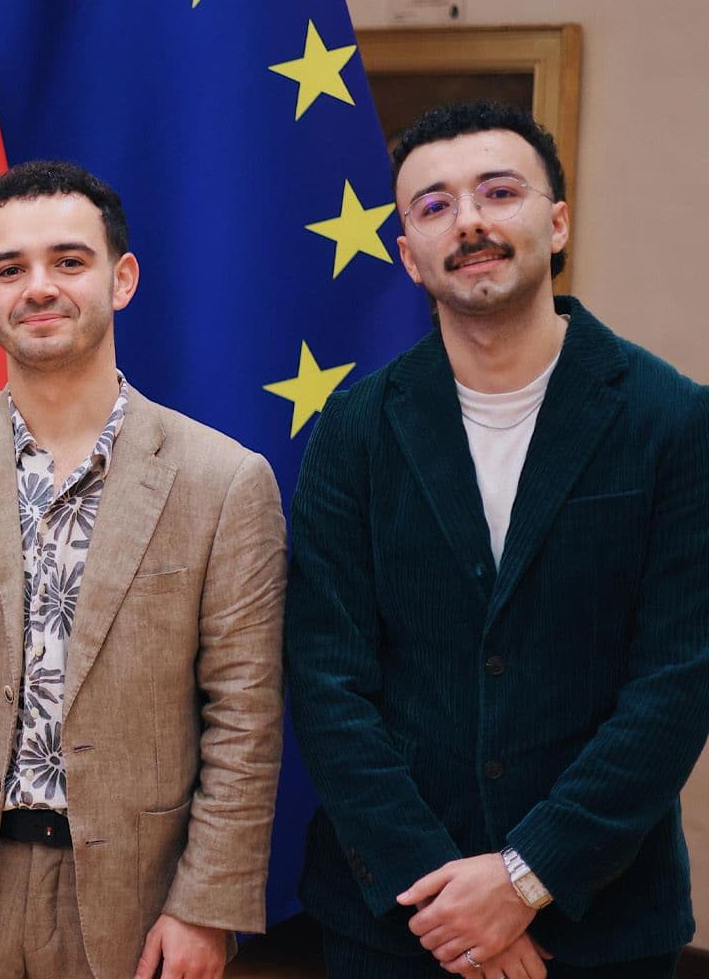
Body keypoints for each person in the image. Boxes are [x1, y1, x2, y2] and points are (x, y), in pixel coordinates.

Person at [288, 100, 709, 978]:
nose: (469, 221)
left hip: (602, 924)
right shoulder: (353, 431)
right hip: (398, 925)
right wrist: (445, 901)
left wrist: (525, 879)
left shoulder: (673, 420)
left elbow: (677, 681)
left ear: (557, 224)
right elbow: (327, 684)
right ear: (408, 254)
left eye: (499, 192)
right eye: (434, 205)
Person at [0, 160, 286, 979]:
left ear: (122, 278)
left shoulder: (224, 481)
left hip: (138, 909)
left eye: (69, 261)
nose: (39, 287)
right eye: (10, 269)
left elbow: (245, 718)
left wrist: (205, 907)